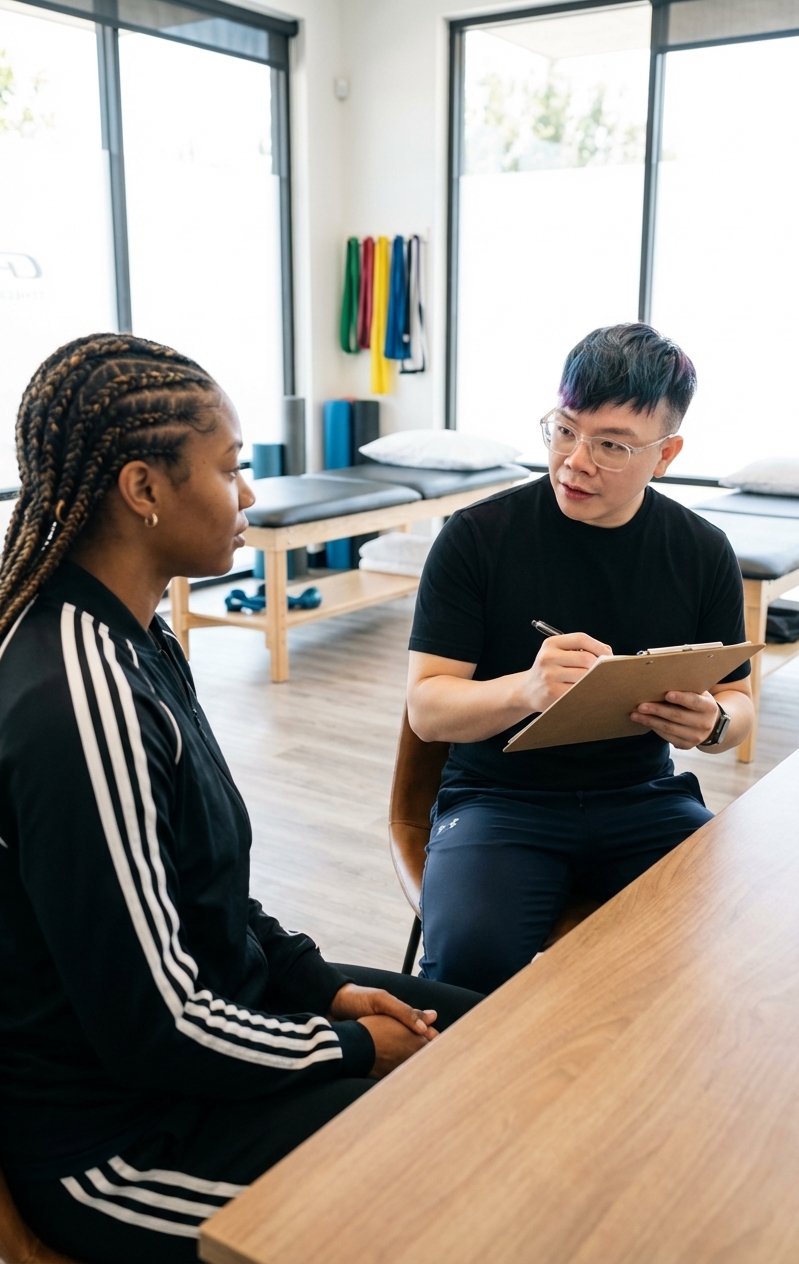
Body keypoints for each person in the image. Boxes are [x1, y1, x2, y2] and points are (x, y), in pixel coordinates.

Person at [0, 333, 481, 1264]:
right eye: (232, 468)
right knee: (453, 1164)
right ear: (143, 489)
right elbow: (155, 1026)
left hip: (220, 1045)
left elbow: (208, 894)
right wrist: (345, 1048)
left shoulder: (138, 639)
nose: (250, 495)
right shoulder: (78, 699)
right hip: (131, 1143)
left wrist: (323, 988)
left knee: (510, 1037)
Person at [407, 323, 755, 996]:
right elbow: (426, 709)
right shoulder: (476, 539)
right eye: (563, 430)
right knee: (469, 965)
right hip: (499, 800)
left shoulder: (701, 551)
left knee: (730, 939)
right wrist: (526, 690)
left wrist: (712, 724)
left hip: (643, 798)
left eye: (611, 445)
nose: (574, 461)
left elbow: (738, 706)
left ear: (666, 454)